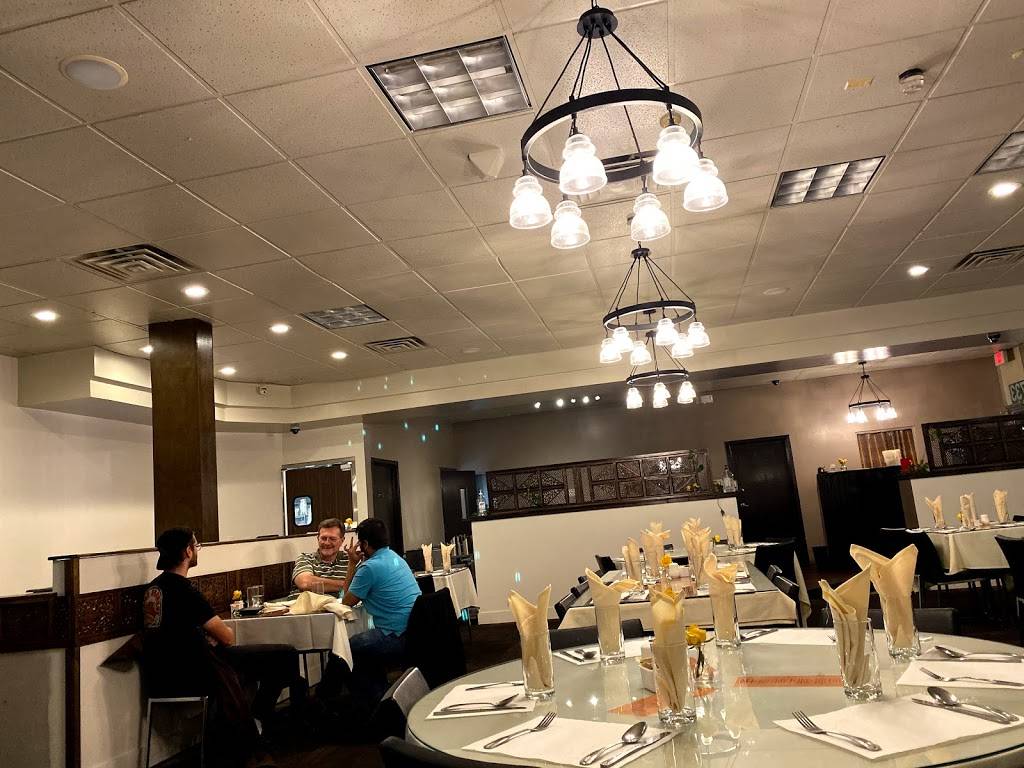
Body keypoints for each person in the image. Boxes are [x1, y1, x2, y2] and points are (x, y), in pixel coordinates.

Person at [142, 528, 303, 766]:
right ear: (188, 551)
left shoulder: (153, 589)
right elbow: (227, 637)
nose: (197, 550)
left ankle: (255, 721)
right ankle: (259, 721)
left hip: (159, 674)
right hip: (194, 672)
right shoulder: (184, 590)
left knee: (264, 661)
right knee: (285, 655)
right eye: (196, 545)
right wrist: (210, 637)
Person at [339, 518, 421, 703]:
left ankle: (370, 699)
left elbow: (346, 600)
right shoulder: (396, 557)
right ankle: (380, 694)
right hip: (415, 631)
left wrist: (352, 563)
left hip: (395, 636)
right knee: (363, 649)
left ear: (365, 544)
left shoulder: (369, 567)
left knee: (346, 649)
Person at [291, 518, 348, 594]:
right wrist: (347, 586)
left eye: (332, 539)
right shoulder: (305, 558)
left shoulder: (350, 561)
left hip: (338, 601)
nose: (327, 543)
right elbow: (305, 583)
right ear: (318, 539)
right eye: (323, 538)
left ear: (342, 540)